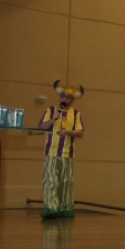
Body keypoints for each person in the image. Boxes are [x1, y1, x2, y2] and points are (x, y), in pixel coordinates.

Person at [38, 80, 85, 219]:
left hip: (68, 154)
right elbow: (41, 127)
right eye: (62, 96)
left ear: (72, 100)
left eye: (68, 97)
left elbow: (80, 132)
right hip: (51, 153)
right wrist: (53, 120)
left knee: (67, 182)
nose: (64, 99)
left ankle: (66, 208)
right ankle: (51, 208)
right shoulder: (51, 110)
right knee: (50, 180)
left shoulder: (76, 114)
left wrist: (68, 132)